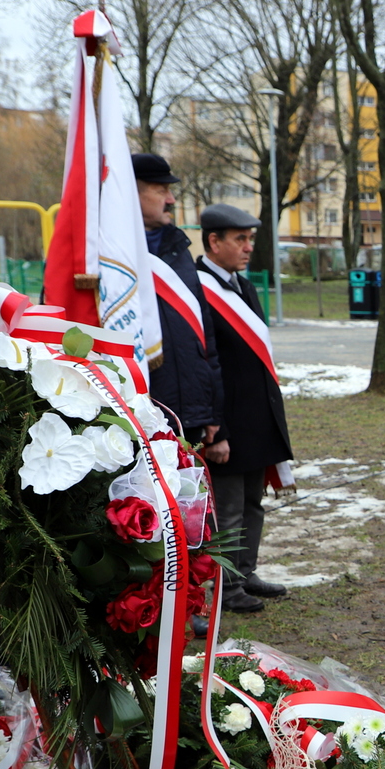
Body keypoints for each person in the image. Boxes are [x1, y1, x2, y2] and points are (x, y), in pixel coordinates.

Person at [195, 203, 294, 612]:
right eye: (240, 239)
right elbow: (205, 363)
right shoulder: (197, 288)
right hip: (227, 422)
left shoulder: (243, 286)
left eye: (250, 239)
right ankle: (224, 587)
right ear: (214, 241)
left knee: (253, 502)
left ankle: (244, 573)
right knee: (228, 511)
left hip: (256, 417)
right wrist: (215, 427)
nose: (248, 247)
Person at [133, 153, 225, 471]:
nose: (171, 199)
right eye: (160, 190)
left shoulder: (179, 249)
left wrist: (211, 413)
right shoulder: (100, 256)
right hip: (133, 422)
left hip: (189, 419)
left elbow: (204, 336)